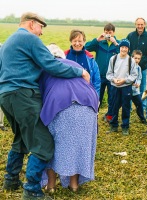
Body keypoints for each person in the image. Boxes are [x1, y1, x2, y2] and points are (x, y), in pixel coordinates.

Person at [0, 12, 90, 200]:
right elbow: (50, 64)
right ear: (32, 24)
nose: (41, 32)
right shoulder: (29, 39)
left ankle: (10, 179)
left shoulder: (8, 42)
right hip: (23, 95)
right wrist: (79, 71)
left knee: (22, 138)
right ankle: (32, 188)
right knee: (43, 143)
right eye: (41, 27)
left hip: (6, 96)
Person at [40, 44, 98, 193]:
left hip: (60, 105)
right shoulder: (74, 64)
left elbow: (39, 95)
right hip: (88, 105)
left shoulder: (46, 67)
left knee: (51, 144)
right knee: (78, 145)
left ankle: (51, 185)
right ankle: (74, 185)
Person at [85, 23, 120, 122]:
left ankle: (109, 116)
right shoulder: (99, 43)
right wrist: (97, 40)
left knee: (111, 97)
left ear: (114, 33)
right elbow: (86, 48)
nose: (108, 34)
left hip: (112, 76)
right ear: (103, 32)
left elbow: (124, 54)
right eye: (106, 32)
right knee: (96, 96)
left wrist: (115, 43)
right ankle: (94, 115)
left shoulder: (118, 43)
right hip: (99, 76)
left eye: (110, 32)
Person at [106, 39, 137, 136]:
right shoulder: (113, 59)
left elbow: (134, 75)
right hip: (114, 87)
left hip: (126, 87)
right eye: (122, 47)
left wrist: (124, 80)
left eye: (126, 47)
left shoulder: (131, 61)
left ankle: (125, 126)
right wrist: (114, 80)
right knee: (114, 105)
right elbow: (109, 74)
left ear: (128, 49)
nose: (124, 49)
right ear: (119, 48)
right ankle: (113, 125)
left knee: (126, 107)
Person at [126, 17, 147, 108]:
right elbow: (126, 50)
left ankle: (143, 106)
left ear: (144, 25)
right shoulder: (130, 36)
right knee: (129, 86)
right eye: (138, 24)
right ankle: (128, 106)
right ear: (135, 25)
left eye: (142, 24)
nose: (140, 26)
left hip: (143, 67)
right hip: (130, 68)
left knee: (142, 87)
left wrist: (142, 61)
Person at [64, 29, 101, 97]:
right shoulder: (64, 57)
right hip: (67, 96)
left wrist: (96, 97)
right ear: (71, 41)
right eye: (75, 41)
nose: (77, 44)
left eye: (80, 41)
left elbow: (96, 81)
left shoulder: (90, 59)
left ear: (84, 42)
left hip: (86, 95)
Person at [131, 50, 147, 124]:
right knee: (119, 104)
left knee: (139, 104)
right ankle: (110, 116)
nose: (137, 60)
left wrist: (138, 83)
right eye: (135, 58)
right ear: (132, 58)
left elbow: (139, 78)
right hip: (127, 90)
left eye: (138, 59)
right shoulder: (128, 67)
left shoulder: (139, 68)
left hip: (135, 91)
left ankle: (142, 118)